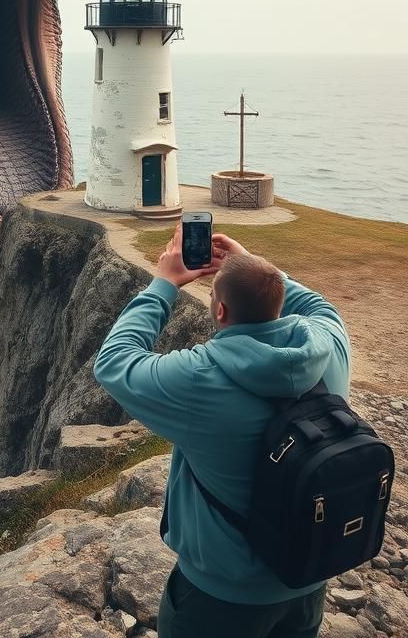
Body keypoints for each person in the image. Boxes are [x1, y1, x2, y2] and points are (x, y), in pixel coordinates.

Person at [93, 225, 351, 638]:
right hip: (308, 576)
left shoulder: (198, 379)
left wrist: (164, 282)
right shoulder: (329, 343)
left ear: (219, 312)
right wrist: (262, 271)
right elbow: (318, 305)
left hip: (221, 597)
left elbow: (114, 361)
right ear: (279, 300)